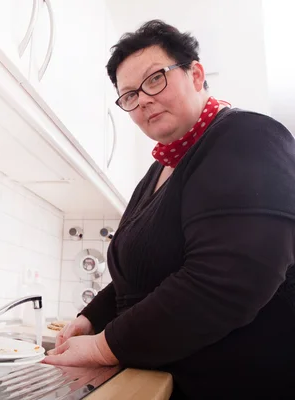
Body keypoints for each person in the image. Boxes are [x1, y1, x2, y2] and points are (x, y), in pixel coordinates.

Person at [43, 20, 295, 399]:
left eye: (155, 79)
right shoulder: (159, 171)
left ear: (195, 74)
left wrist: (100, 346)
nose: (142, 99)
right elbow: (140, 275)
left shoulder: (247, 137)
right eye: (129, 95)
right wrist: (88, 319)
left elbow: (226, 281)